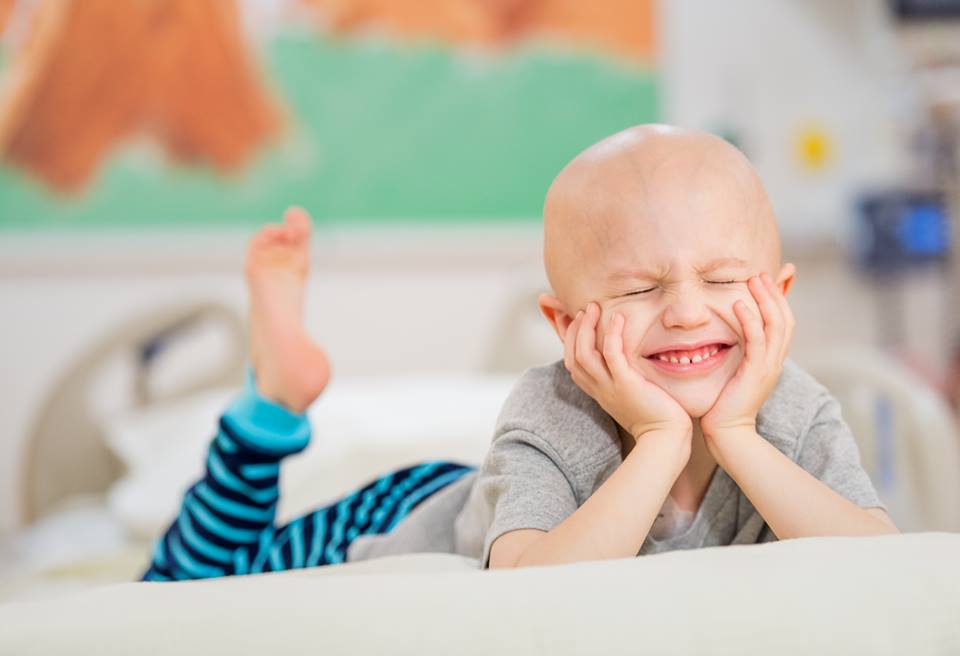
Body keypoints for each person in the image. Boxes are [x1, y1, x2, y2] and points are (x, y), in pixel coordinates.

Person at [141, 124, 898, 581]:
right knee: (192, 578)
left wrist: (734, 435)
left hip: (493, 491)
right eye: (639, 289)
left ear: (779, 292)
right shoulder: (552, 410)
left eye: (723, 278)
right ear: (564, 325)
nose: (687, 312)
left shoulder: (795, 409)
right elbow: (530, 584)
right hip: (404, 515)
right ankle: (270, 407)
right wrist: (661, 440)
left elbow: (879, 553)